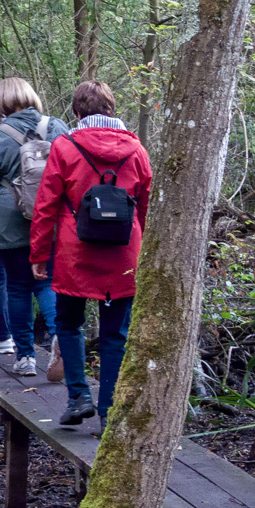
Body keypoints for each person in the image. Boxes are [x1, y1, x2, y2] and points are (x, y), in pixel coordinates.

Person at [30, 80, 153, 431]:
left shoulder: (64, 146)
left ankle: (78, 397)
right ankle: (108, 411)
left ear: (77, 112)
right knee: (116, 335)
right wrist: (142, 254)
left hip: (74, 252)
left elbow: (46, 205)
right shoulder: (137, 151)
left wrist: (39, 253)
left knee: (69, 324)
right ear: (112, 110)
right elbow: (145, 208)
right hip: (123, 255)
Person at [0, 77, 68, 378]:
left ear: (0, 103)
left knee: (17, 287)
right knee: (47, 282)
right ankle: (59, 337)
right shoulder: (57, 126)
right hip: (51, 216)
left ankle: (25, 357)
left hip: (10, 218)